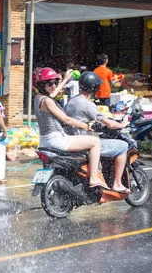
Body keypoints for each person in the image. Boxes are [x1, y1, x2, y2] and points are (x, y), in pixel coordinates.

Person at [34, 67, 119, 196]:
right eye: (49, 83)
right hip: (57, 140)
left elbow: (52, 94)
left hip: (45, 141)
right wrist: (85, 126)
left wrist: (65, 79)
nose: (53, 86)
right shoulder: (48, 101)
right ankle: (94, 177)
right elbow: (67, 120)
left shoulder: (39, 98)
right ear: (42, 85)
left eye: (55, 82)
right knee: (95, 142)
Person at [64, 72, 131, 194]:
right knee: (123, 146)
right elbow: (109, 123)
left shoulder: (71, 101)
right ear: (94, 88)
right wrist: (122, 124)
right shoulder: (88, 104)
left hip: (71, 140)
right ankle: (117, 183)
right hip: (84, 143)